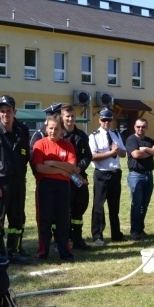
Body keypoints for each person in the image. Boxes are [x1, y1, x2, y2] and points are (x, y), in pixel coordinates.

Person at [0, 95, 31, 263]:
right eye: (2, 111)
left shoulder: (21, 130)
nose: (5, 114)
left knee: (17, 219)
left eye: (8, 111)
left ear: (14, 112)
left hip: (17, 183)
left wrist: (22, 174)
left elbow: (25, 155)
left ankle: (13, 251)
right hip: (0, 183)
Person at [31, 112, 76, 261]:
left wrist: (52, 163)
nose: (53, 131)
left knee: (63, 219)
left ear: (61, 130)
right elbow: (39, 168)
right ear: (46, 128)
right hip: (45, 185)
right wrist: (60, 170)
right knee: (44, 219)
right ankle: (43, 250)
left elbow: (72, 167)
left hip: (63, 186)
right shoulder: (40, 144)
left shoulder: (67, 145)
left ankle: (64, 250)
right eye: (50, 128)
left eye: (56, 129)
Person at [88, 108, 126, 246]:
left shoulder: (116, 134)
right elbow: (92, 156)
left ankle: (116, 234)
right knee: (98, 206)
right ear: (99, 120)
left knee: (114, 207)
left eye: (109, 120)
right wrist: (111, 153)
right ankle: (97, 235)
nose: (106, 122)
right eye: (104, 120)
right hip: (102, 174)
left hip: (115, 173)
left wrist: (118, 150)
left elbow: (123, 154)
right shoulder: (94, 136)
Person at [59, 104, 93, 251]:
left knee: (79, 209)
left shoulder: (81, 135)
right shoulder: (59, 135)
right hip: (64, 178)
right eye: (67, 116)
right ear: (62, 117)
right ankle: (64, 239)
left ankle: (78, 238)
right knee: (64, 210)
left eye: (72, 116)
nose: (70, 119)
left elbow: (88, 155)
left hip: (79, 177)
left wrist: (80, 167)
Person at [125, 117, 154, 239]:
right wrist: (150, 152)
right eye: (138, 126)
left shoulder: (149, 140)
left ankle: (141, 229)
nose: (141, 129)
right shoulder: (131, 139)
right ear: (134, 127)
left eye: (143, 127)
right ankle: (135, 231)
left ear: (147, 128)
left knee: (144, 204)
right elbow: (136, 154)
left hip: (148, 176)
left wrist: (145, 149)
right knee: (136, 203)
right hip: (136, 176)